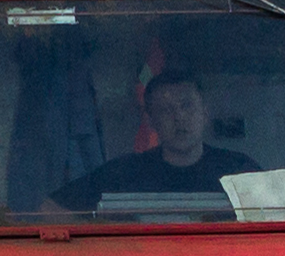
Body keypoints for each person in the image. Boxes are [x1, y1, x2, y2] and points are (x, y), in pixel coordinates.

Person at [48, 68, 265, 212]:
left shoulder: (240, 171)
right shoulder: (123, 174)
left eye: (187, 106)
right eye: (165, 110)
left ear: (205, 113)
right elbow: (49, 211)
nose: (179, 118)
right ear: (150, 121)